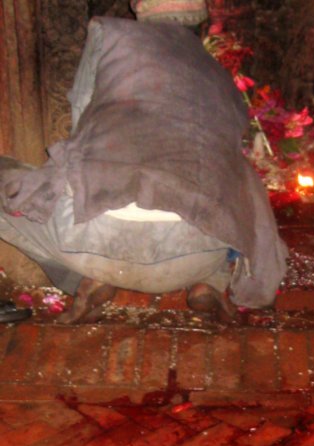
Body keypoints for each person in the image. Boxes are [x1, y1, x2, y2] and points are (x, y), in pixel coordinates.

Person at [0, 0, 288, 323]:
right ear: (202, 20)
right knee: (224, 186)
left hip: (94, 244)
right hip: (197, 256)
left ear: (140, 8)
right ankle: (212, 280)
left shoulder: (107, 34)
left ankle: (85, 279)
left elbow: (82, 122)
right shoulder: (220, 77)